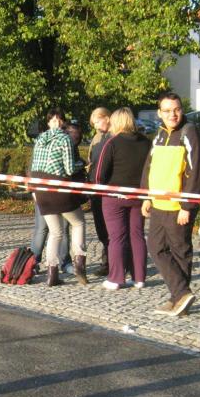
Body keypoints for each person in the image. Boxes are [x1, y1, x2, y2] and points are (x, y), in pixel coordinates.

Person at [140, 92, 200, 316]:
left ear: (182, 110)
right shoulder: (159, 134)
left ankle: (180, 296)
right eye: (167, 111)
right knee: (155, 248)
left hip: (178, 207)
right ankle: (180, 294)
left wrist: (187, 206)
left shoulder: (189, 132)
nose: (172, 114)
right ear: (159, 113)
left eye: (176, 109)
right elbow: (149, 166)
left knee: (180, 252)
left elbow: (197, 171)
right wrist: (146, 196)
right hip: (158, 203)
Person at [29, 108, 87, 286]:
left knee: (55, 233)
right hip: (58, 189)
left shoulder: (39, 139)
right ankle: (79, 263)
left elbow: (34, 166)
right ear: (62, 122)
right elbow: (69, 169)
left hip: (41, 190)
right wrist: (82, 164)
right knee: (78, 222)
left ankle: (52, 275)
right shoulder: (65, 139)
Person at [95, 108, 151, 290]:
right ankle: (139, 277)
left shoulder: (112, 143)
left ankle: (116, 278)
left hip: (114, 197)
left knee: (117, 237)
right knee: (137, 235)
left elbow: (100, 173)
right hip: (139, 196)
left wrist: (100, 186)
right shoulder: (146, 142)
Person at [87, 107, 112, 276]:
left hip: (108, 188)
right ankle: (108, 261)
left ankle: (111, 262)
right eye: (94, 124)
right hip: (95, 188)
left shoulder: (114, 136)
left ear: (107, 118)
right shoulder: (97, 138)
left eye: (98, 122)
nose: (96, 126)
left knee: (112, 229)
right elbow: (92, 161)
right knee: (101, 229)